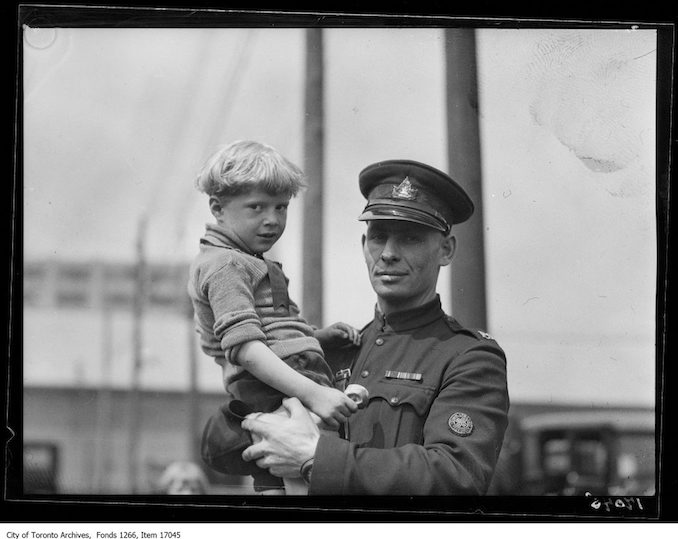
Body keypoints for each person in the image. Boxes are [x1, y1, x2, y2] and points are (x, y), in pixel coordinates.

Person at [240, 159, 510, 495]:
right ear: (363, 245)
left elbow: (456, 477)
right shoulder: (333, 350)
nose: (388, 254)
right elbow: (221, 444)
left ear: (446, 250)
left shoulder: (470, 358)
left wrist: (315, 457)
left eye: (410, 238)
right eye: (379, 237)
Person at [187, 140, 360, 494]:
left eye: (281, 208)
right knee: (298, 473)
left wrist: (317, 337)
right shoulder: (226, 265)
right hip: (268, 385)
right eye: (256, 207)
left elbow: (270, 327)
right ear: (218, 208)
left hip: (279, 380)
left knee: (278, 479)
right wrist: (315, 394)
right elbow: (247, 349)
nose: (272, 220)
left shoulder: (248, 259)